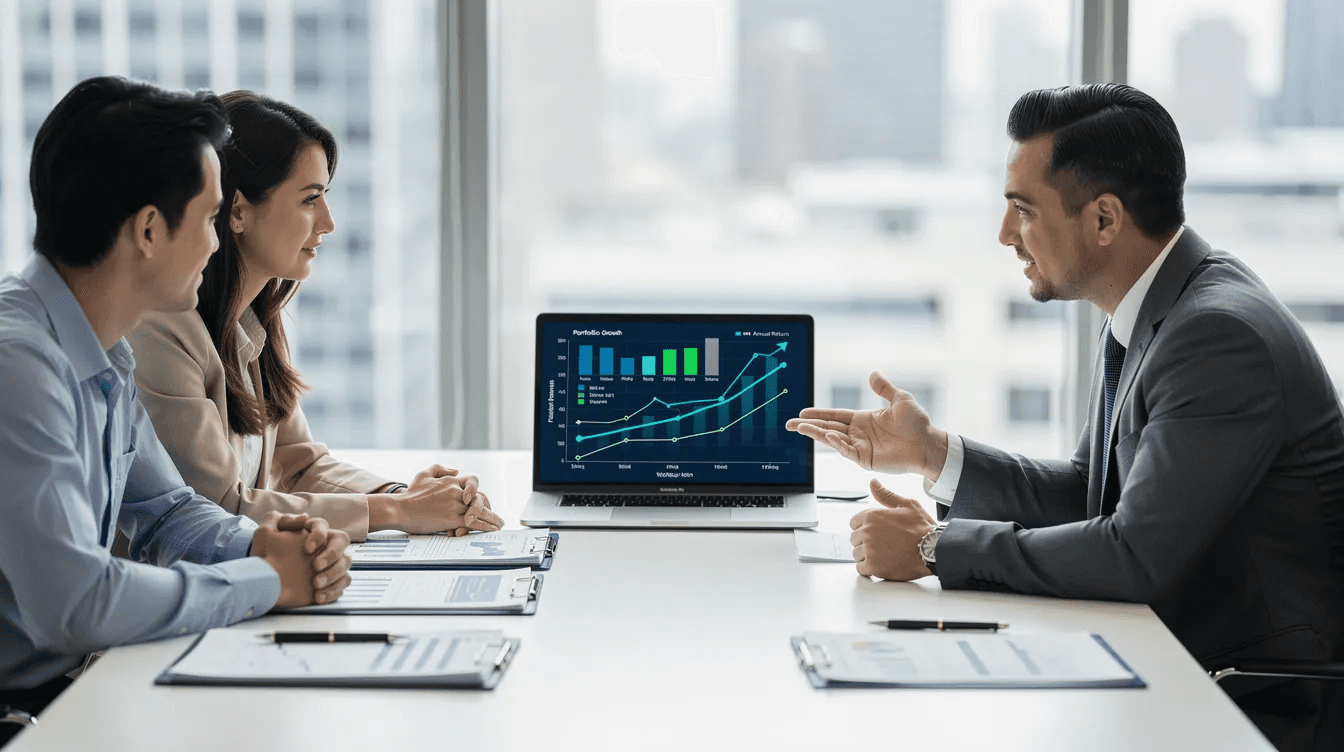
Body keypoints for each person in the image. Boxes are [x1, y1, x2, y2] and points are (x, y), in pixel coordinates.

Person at [787, 84, 1344, 751]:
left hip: (1255, 699)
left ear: (1104, 220)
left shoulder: (1217, 337)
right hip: (1177, 658)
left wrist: (937, 549)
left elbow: (1133, 554)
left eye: (1021, 210)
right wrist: (933, 453)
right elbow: (1092, 492)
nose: (1004, 235)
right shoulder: (1155, 310)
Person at [0, 77, 353, 741]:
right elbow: (74, 603)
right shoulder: (18, 367)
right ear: (150, 230)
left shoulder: (98, 350)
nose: (220, 243)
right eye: (210, 218)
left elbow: (165, 510)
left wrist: (265, 545)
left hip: (69, 691)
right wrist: (263, 581)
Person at [126, 91, 503, 541]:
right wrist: (396, 510)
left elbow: (300, 464)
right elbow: (217, 507)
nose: (328, 221)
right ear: (239, 211)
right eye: (310, 199)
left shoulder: (252, 318)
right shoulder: (160, 328)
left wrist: (408, 497)